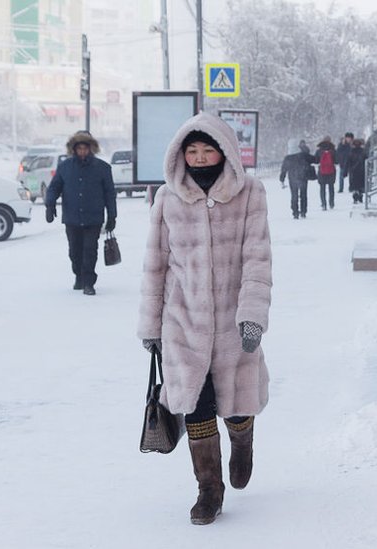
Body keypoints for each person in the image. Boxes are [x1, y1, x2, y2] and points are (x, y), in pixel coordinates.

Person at [138, 112, 272, 526]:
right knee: (195, 405)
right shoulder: (167, 198)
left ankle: (242, 438)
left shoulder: (250, 193)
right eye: (191, 150)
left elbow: (257, 259)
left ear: (224, 150)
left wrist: (252, 315)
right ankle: (209, 489)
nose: (198, 157)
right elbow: (155, 265)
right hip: (183, 322)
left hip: (233, 323)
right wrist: (150, 326)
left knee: (235, 404)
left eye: (206, 149)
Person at [44, 131, 117, 296]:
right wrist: (50, 205)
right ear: (74, 149)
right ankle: (79, 275)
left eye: (85, 148)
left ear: (91, 149)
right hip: (72, 217)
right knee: (74, 251)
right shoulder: (65, 167)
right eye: (79, 148)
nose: (82, 151)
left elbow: (109, 193)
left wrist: (112, 215)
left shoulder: (102, 168)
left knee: (90, 250)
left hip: (94, 217)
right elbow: (54, 187)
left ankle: (89, 282)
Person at [279, 139, 314, 219]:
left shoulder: (288, 158)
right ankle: (303, 211)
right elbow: (314, 159)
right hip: (303, 177)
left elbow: (284, 169)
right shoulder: (303, 155)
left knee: (294, 195)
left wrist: (282, 178)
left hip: (292, 178)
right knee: (303, 194)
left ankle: (295, 212)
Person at [315, 135, 337, 210]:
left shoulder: (319, 151)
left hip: (322, 171)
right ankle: (331, 203)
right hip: (331, 171)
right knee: (331, 188)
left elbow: (316, 160)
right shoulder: (333, 150)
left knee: (322, 188)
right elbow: (336, 161)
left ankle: (323, 204)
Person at [347, 137, 367, 205]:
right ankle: (360, 197)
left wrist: (347, 170)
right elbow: (366, 160)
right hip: (361, 171)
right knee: (360, 186)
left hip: (353, 172)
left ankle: (355, 198)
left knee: (354, 186)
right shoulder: (363, 151)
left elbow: (348, 162)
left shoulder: (351, 152)